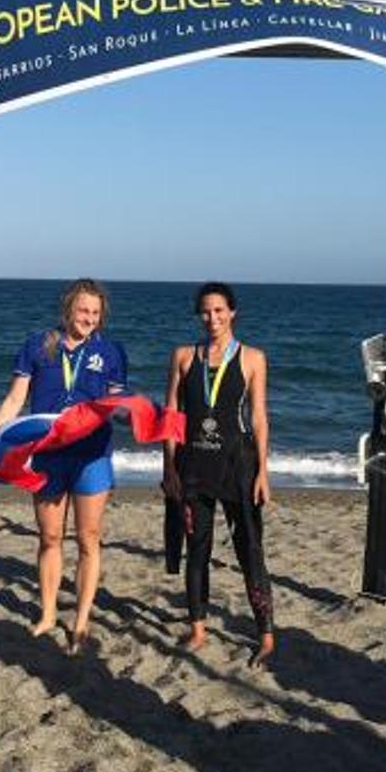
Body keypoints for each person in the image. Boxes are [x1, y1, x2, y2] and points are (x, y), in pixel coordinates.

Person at [0, 278, 127, 651]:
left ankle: (81, 621)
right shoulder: (38, 345)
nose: (89, 319)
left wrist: (134, 414)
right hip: (48, 454)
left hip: (92, 455)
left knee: (88, 538)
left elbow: (116, 404)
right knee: (49, 537)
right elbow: (15, 400)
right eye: (83, 311)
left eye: (95, 313)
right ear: (68, 309)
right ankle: (48, 615)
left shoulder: (111, 352)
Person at [163, 281, 275, 665]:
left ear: (232, 312)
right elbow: (172, 415)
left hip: (237, 466)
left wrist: (263, 471)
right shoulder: (183, 356)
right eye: (206, 311)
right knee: (198, 549)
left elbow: (258, 418)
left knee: (250, 550)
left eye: (219, 311)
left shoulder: (253, 358)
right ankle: (198, 629)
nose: (212, 318)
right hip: (193, 467)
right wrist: (169, 467)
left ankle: (266, 634)